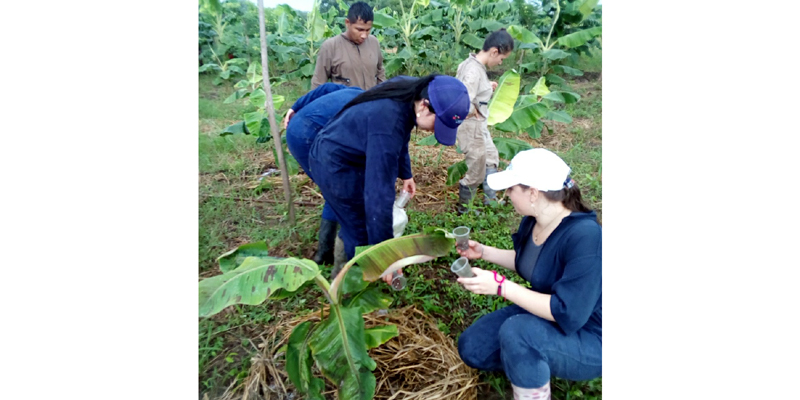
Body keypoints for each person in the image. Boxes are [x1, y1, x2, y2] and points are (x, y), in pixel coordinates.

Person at [453, 148, 601, 399]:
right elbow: (531, 262)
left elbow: (567, 312)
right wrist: (485, 252)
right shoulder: (533, 220)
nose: (507, 195)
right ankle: (532, 358)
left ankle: (533, 383)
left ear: (533, 193)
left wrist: (501, 286)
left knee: (518, 332)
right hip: (544, 311)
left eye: (511, 189)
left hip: (590, 333)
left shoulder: (585, 237)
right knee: (473, 348)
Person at [308, 75, 469, 280]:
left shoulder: (410, 92)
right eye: (438, 124)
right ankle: (347, 285)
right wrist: (385, 255)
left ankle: (351, 270)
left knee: (361, 224)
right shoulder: (388, 125)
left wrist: (406, 173)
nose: (434, 131)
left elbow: (402, 135)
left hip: (354, 152)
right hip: (335, 164)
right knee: (359, 230)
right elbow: (379, 194)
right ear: (425, 106)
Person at [282, 83, 364, 264]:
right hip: (308, 137)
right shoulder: (375, 110)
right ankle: (340, 258)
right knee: (342, 193)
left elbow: (326, 88)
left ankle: (324, 253)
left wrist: (294, 107)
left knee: (335, 190)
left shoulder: (357, 91)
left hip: (299, 130)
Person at [454, 28, 515, 214]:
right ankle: (464, 210)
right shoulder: (473, 70)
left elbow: (469, 91)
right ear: (494, 51)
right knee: (476, 168)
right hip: (471, 126)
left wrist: (486, 88)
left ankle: (491, 200)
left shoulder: (472, 65)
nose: (500, 62)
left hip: (478, 125)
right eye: (502, 58)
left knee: (490, 158)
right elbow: (462, 100)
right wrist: (476, 109)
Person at [310, 1, 385, 90]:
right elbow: (318, 83)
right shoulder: (330, 46)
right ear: (347, 23)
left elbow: (380, 71)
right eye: (359, 30)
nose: (364, 35)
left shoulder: (374, 42)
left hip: (371, 102)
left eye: (368, 30)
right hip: (345, 103)